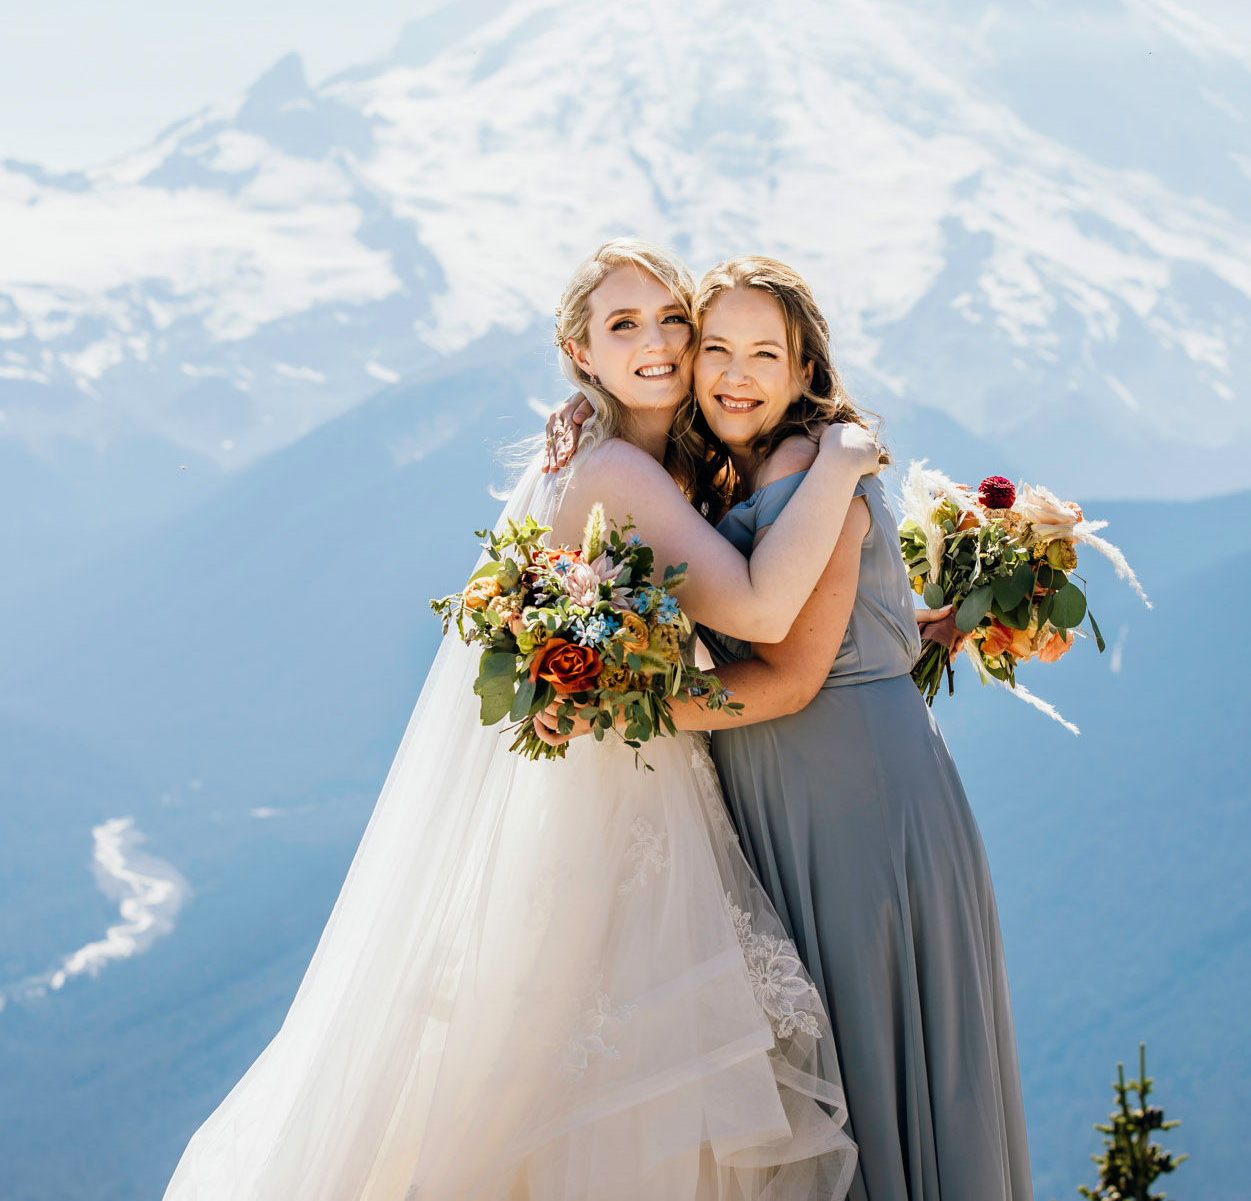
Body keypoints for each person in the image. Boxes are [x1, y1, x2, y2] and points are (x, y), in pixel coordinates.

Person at [161, 238, 883, 1201]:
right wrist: (839, 461)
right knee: (623, 1088)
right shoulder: (620, 472)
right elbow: (754, 611)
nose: (660, 343)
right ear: (577, 347)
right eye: (623, 325)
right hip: (626, 810)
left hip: (629, 797)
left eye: (674, 320)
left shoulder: (634, 459)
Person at [543, 257, 1032, 1201]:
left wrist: (616, 714)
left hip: (853, 806)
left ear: (807, 370)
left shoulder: (817, 461)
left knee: (874, 1070)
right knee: (834, 1073)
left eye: (764, 352)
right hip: (784, 792)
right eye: (714, 344)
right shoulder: (723, 467)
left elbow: (792, 672)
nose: (730, 370)